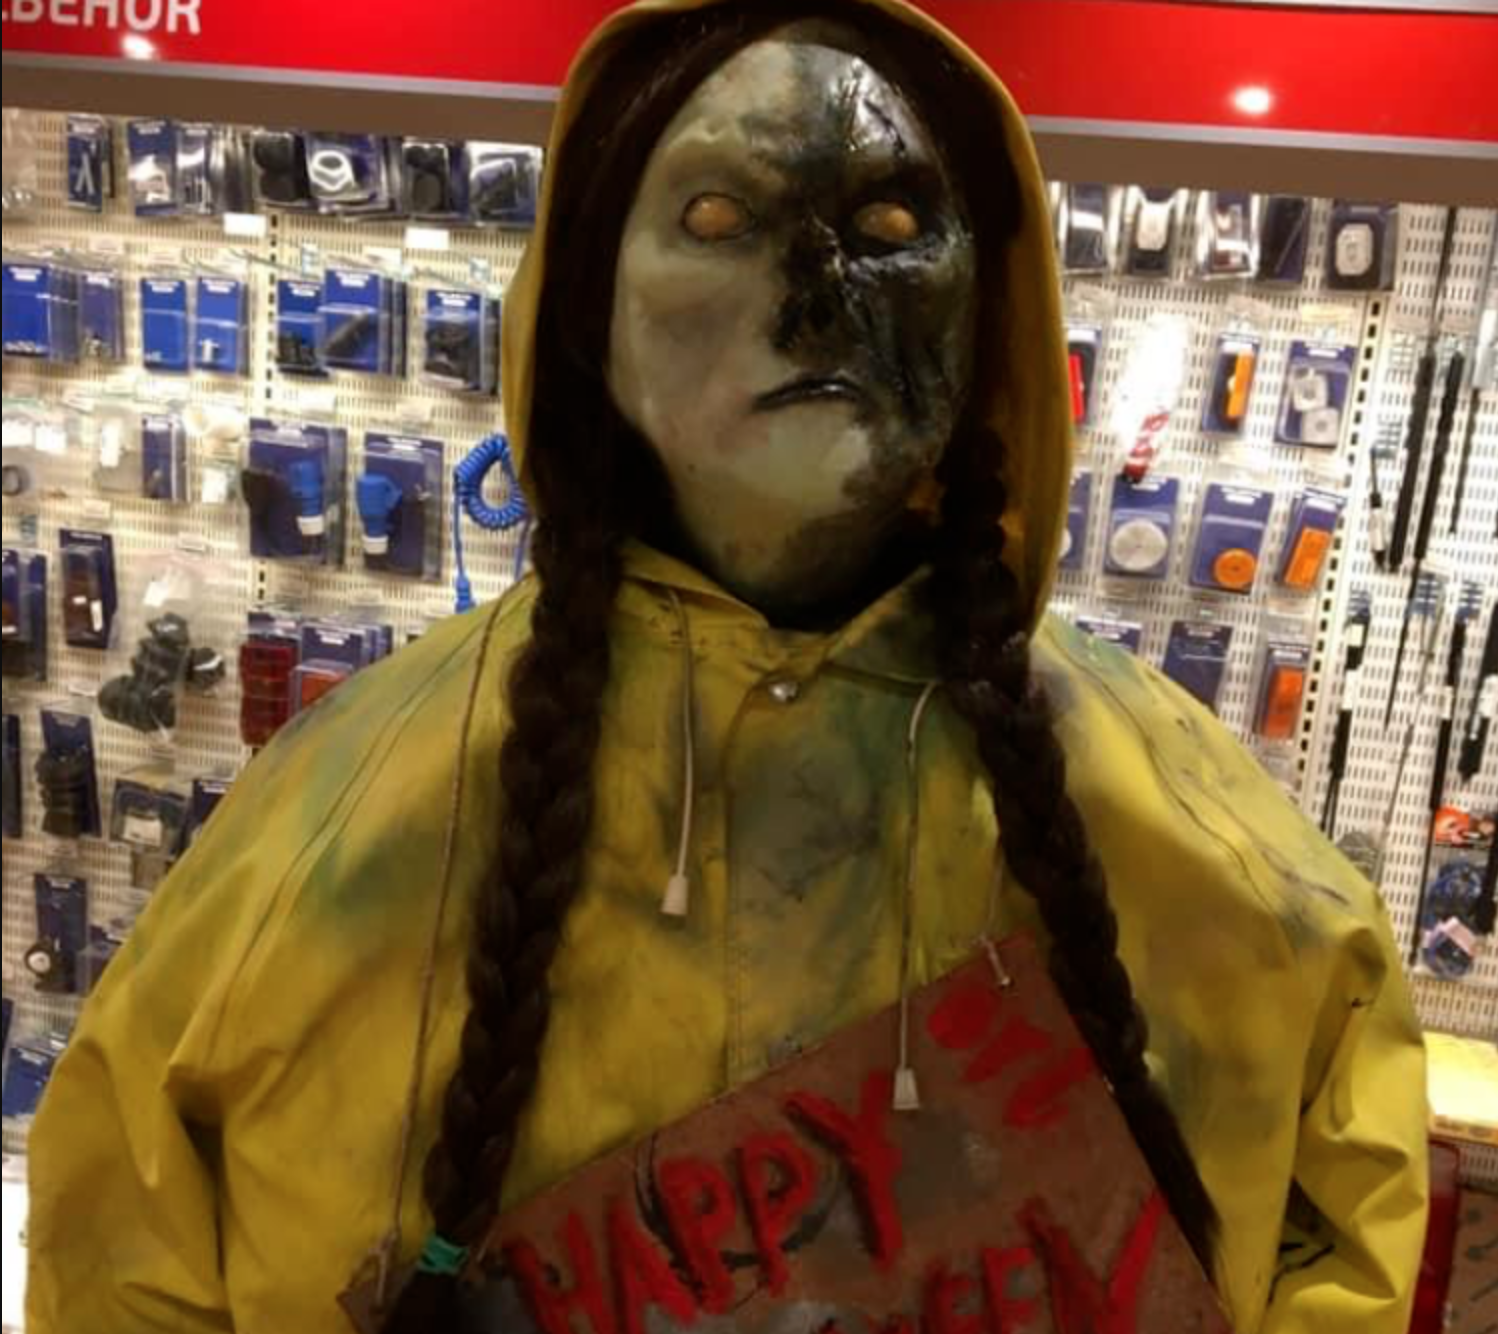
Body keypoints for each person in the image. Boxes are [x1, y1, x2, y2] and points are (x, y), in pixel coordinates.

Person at [26, 2, 1428, 1332]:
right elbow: (128, 1246)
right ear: (588, 311)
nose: (816, 301)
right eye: (716, 218)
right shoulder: (346, 831)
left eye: (891, 225)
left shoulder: (1196, 853)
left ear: (985, 303)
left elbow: (1341, 1230)